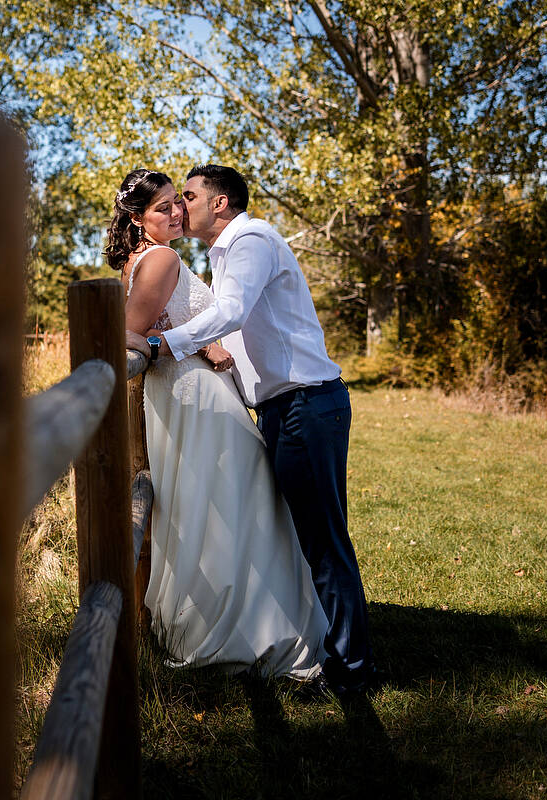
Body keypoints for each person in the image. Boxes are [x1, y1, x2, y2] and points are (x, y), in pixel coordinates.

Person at [133, 163, 375, 696]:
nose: (180, 207)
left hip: (306, 404)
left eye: (188, 196)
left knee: (322, 539)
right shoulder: (221, 254)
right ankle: (329, 648)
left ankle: (351, 672)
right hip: (282, 408)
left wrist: (162, 344)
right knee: (301, 531)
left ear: (218, 203)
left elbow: (233, 313)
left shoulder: (251, 240)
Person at [109, 168, 327, 677]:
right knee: (242, 498)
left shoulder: (148, 258)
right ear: (138, 219)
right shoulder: (163, 258)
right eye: (163, 206)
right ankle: (248, 630)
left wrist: (196, 343)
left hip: (187, 388)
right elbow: (130, 332)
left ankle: (227, 620)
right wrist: (192, 347)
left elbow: (161, 322)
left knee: (213, 503)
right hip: (196, 394)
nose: (177, 212)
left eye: (179, 201)